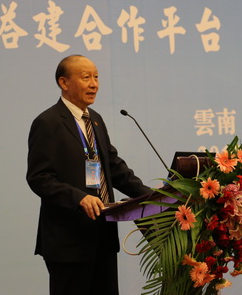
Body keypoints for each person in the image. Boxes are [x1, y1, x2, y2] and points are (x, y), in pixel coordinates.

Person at [27, 55, 152, 295]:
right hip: (69, 241)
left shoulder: (94, 119)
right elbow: (39, 178)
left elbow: (113, 167)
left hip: (103, 235)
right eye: (86, 77)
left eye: (96, 77)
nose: (94, 84)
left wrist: (153, 197)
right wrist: (79, 198)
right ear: (64, 82)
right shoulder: (48, 122)